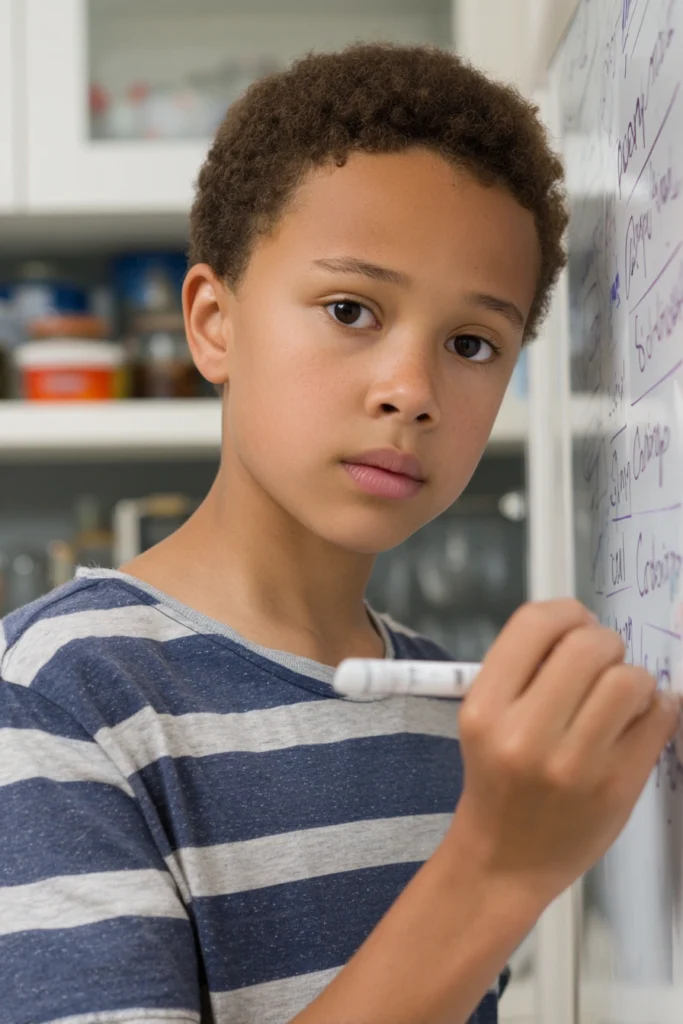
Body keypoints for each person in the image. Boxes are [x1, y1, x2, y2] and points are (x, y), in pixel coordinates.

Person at [0, 43, 678, 1024]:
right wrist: (488, 873)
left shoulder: (457, 710)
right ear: (212, 322)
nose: (409, 390)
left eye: (470, 343)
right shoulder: (56, 696)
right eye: (350, 308)